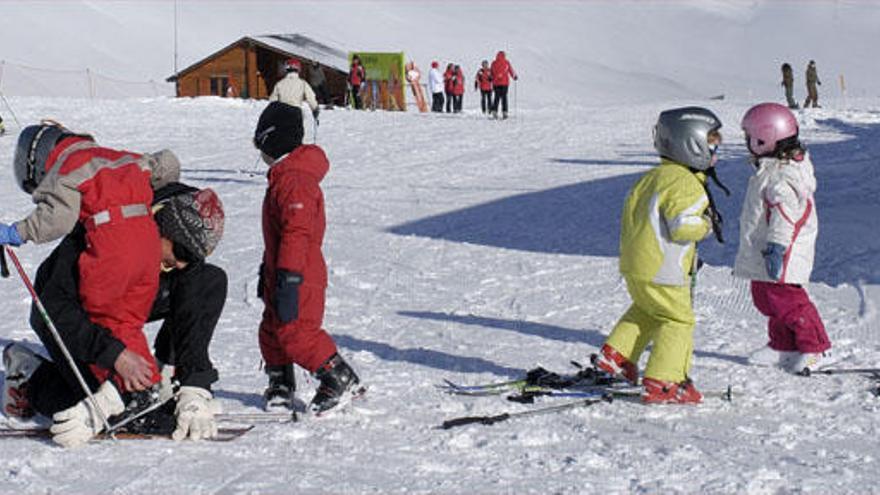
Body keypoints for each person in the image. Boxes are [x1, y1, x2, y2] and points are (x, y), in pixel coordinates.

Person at [2, 182, 226, 447]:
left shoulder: (176, 222)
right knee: (111, 411)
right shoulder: (102, 233)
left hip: (128, 296)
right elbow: (59, 310)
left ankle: (166, 375)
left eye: (193, 256)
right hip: (66, 313)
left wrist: (194, 384)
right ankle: (31, 376)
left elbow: (193, 287)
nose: (181, 262)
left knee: (207, 280)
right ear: (159, 225)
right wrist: (115, 357)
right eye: (182, 252)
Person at [1, 122, 181, 400]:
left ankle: (117, 392)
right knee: (128, 320)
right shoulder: (117, 156)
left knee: (104, 319)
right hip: (148, 246)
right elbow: (167, 164)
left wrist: (18, 232)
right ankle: (148, 385)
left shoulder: (68, 166)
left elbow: (57, 219)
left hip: (111, 249)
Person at [594, 107, 724, 404]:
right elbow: (682, 225)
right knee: (678, 320)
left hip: (636, 266)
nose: (717, 148)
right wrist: (706, 223)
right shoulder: (685, 182)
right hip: (664, 269)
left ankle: (617, 357)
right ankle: (666, 380)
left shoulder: (652, 177)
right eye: (712, 141)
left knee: (648, 310)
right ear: (691, 143)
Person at [252, 101, 362, 414]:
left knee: (297, 332)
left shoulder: (294, 180)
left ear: (272, 140)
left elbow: (297, 233)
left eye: (260, 143)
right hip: (283, 268)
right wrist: (268, 269)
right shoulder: (285, 175)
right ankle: (281, 383)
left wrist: (289, 276)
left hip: (299, 272)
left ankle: (338, 378)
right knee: (272, 328)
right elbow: (279, 235)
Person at [736, 103, 829, 374]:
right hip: (765, 248)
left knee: (788, 301)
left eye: (749, 137)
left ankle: (816, 347)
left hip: (783, 249)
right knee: (765, 297)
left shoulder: (783, 176)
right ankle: (784, 346)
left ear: (765, 138)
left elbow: (785, 216)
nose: (746, 143)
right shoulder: (770, 169)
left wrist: (777, 246)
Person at [270, 58, 320, 125]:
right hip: (296, 113)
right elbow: (311, 97)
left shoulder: (279, 84)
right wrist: (315, 109)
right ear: (298, 69)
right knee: (296, 133)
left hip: (282, 113)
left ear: (286, 69)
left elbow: (272, 100)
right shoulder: (303, 83)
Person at [490, 51, 518, 119]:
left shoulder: (494, 63)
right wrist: (514, 76)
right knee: (504, 98)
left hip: (496, 83)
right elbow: (511, 70)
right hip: (504, 83)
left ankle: (494, 112)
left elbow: (491, 72)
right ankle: (504, 112)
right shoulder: (506, 62)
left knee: (496, 97)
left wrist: (491, 78)